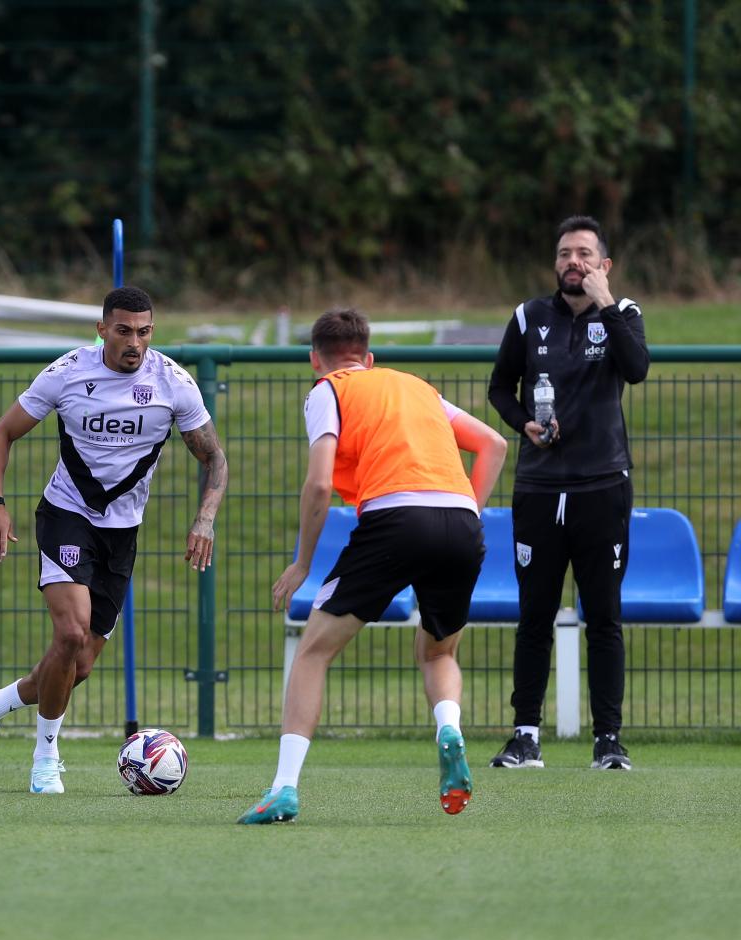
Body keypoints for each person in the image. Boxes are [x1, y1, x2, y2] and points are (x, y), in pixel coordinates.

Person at [238, 307, 506, 824]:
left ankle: (284, 788)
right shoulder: (417, 387)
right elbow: (493, 445)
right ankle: (448, 729)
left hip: (395, 520)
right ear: (370, 356)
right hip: (461, 522)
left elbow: (318, 485)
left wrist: (302, 563)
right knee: (438, 651)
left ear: (316, 360)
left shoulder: (327, 391)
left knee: (313, 651)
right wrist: (467, 511)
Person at [0, 285, 227, 794]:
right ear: (101, 329)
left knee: (75, 667)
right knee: (70, 636)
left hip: (122, 534)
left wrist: (204, 519)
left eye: (144, 332)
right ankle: (45, 757)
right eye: (124, 330)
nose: (135, 342)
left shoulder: (173, 383)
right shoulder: (68, 373)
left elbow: (214, 458)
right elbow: (1, 435)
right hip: (67, 515)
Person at [487, 215, 649, 771]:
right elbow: (498, 388)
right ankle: (524, 735)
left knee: (603, 615)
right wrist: (523, 424)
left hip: (603, 487)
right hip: (538, 487)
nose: (572, 262)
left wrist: (606, 303)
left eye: (583, 254)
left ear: (603, 266)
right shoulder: (529, 317)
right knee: (535, 614)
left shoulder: (623, 315)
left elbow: (637, 370)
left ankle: (608, 741)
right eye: (563, 254)